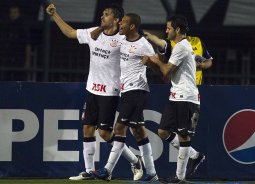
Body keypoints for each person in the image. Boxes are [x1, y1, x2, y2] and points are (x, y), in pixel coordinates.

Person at [45, 3, 143, 181]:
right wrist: (54, 15)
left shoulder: (123, 39)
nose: (102, 17)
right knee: (88, 129)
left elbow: (139, 48)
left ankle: (135, 160)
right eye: (102, 14)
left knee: (105, 134)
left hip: (110, 92)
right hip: (92, 89)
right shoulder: (93, 34)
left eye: (106, 15)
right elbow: (70, 33)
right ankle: (89, 171)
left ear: (116, 20)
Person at [93, 13, 158, 182]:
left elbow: (159, 67)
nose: (120, 24)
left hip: (137, 90)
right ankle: (151, 173)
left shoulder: (144, 45)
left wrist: (150, 63)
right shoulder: (121, 39)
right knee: (138, 131)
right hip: (126, 91)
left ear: (132, 27)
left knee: (119, 128)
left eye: (124, 23)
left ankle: (107, 170)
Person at [142, 15, 201, 183]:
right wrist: (155, 63)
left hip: (186, 96)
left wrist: (154, 61)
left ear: (178, 30)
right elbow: (166, 77)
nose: (166, 30)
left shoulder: (182, 47)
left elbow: (166, 70)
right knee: (162, 131)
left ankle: (180, 177)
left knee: (183, 136)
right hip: (176, 95)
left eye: (168, 28)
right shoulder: (178, 47)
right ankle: (194, 155)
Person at [0, 5, 31, 81]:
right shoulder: (7, 26)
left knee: (19, 78)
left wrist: (27, 61)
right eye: (11, 12)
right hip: (8, 57)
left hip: (19, 58)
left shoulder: (23, 27)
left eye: (15, 12)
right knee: (6, 78)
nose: (13, 14)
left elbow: (27, 45)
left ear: (19, 13)